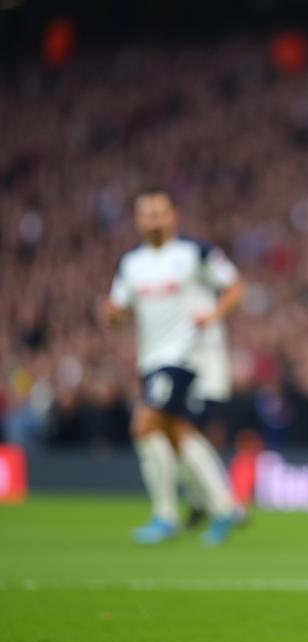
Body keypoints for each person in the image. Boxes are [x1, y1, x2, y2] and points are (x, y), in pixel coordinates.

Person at [103, 189, 245, 546]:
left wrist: (213, 314)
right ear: (137, 220)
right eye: (146, 214)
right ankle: (225, 507)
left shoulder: (194, 253)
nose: (153, 220)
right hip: (151, 359)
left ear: (173, 215)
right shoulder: (130, 264)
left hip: (187, 354)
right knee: (176, 432)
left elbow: (235, 286)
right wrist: (113, 317)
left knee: (144, 424)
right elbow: (118, 311)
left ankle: (165, 514)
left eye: (159, 212)